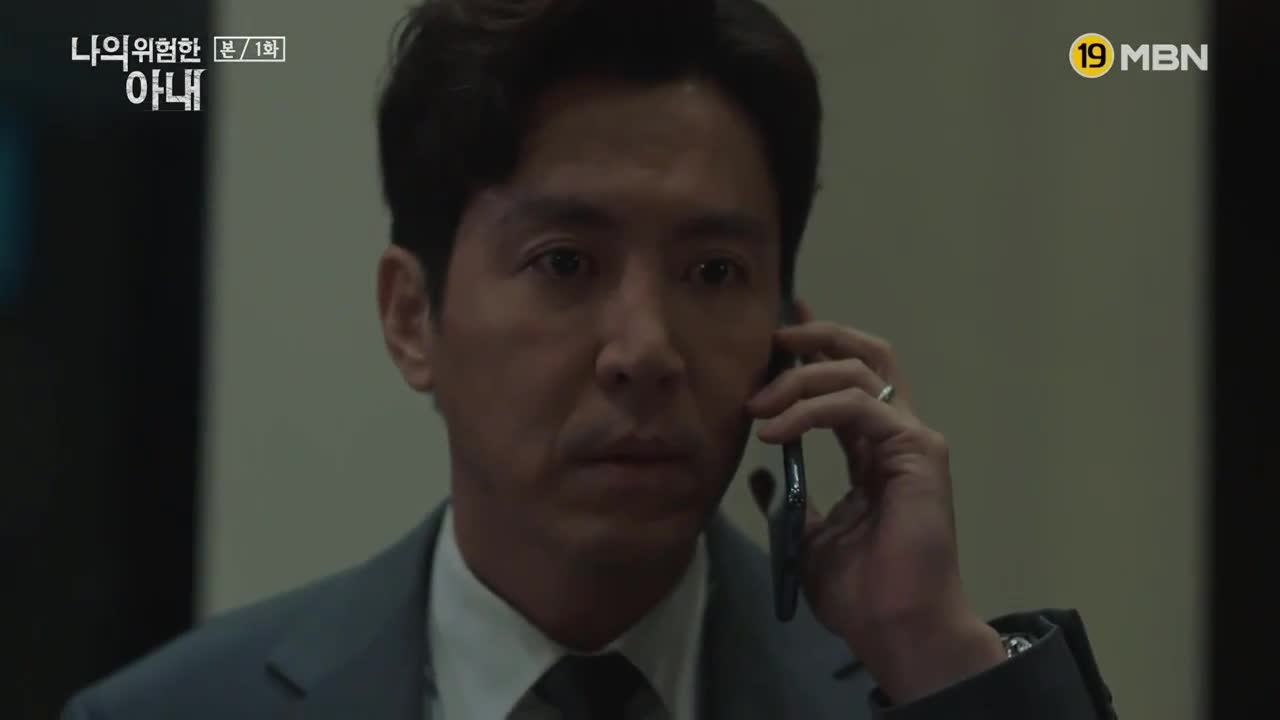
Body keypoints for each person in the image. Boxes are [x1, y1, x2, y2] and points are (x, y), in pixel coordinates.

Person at [62, 0, 1118, 717]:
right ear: (412, 319)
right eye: (564, 262)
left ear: (786, 341)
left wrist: (930, 651)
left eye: (712, 273)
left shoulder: (905, 692)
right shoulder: (177, 710)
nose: (645, 350)